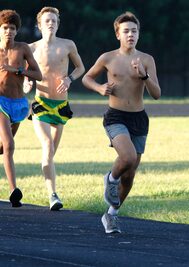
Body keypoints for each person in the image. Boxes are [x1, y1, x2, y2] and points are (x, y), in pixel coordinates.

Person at [82, 11, 161, 234]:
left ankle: (111, 214)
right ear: (118, 34)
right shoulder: (108, 58)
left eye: (134, 31)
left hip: (139, 118)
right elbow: (87, 77)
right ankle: (110, 177)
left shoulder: (147, 59)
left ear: (139, 34)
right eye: (126, 31)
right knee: (127, 157)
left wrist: (144, 76)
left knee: (130, 174)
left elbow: (157, 94)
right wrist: (99, 88)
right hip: (115, 116)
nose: (131, 35)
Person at [25, 7, 85, 211]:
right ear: (39, 25)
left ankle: (47, 174)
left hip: (60, 106)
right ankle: (53, 195)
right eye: (47, 20)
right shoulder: (31, 48)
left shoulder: (68, 45)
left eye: (54, 20)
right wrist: (26, 83)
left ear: (58, 24)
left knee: (50, 154)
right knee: (48, 146)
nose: (51, 23)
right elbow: (26, 74)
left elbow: (80, 68)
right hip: (41, 104)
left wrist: (69, 79)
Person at [0, 10, 42, 207]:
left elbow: (38, 74)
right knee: (9, 145)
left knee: (3, 148)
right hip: (0, 102)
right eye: (5, 28)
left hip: (18, 104)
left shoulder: (23, 48)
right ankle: (13, 190)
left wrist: (17, 70)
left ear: (17, 31)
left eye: (12, 28)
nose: (9, 31)